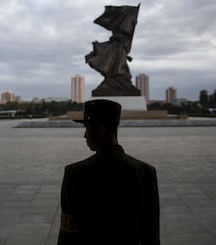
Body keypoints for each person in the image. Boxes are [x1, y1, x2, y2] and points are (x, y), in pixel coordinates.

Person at [58, 99, 160, 245]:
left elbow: (67, 235)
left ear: (100, 130)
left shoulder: (75, 173)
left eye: (87, 128)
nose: (85, 136)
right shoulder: (146, 172)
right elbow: (152, 233)